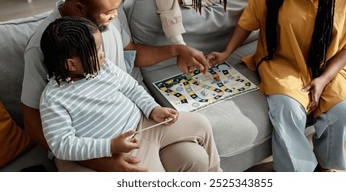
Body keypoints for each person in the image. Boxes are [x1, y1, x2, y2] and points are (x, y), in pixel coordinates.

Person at [21, 0, 211, 172]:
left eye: (116, 8)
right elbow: (33, 122)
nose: (115, 17)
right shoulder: (43, 47)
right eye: (108, 12)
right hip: (92, 147)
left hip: (135, 126)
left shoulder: (106, 22)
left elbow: (131, 55)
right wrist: (103, 160)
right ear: (78, 8)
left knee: (196, 159)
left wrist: (177, 50)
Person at [207, 0, 346, 172]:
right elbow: (247, 22)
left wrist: (323, 80)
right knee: (287, 111)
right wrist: (226, 52)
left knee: (343, 110)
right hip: (282, 63)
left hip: (328, 66)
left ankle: (326, 167)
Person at [39, 16, 221, 172]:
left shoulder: (105, 67)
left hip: (145, 124)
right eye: (96, 52)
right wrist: (110, 147)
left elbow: (132, 88)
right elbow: (62, 145)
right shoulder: (54, 99)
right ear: (71, 65)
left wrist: (153, 108)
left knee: (201, 124)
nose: (103, 55)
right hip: (124, 151)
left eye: (101, 48)